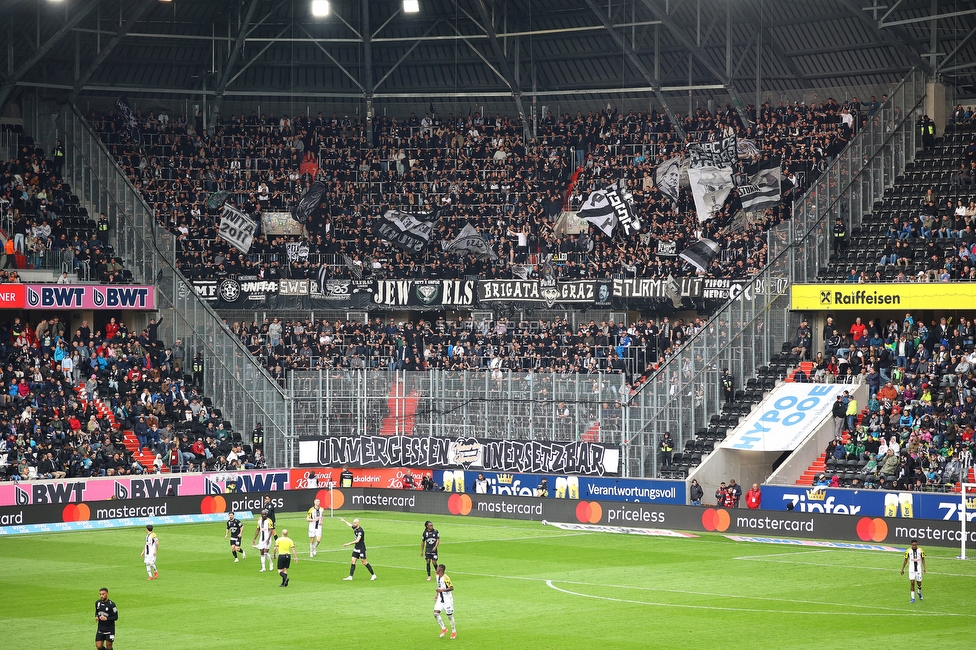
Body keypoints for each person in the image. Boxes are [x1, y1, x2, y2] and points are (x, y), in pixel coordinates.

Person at [434, 564, 457, 639]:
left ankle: (454, 631)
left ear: (441, 569)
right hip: (440, 599)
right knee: (436, 614)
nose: (436, 569)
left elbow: (451, 588)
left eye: (438, 568)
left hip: (447, 600)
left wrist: (441, 590)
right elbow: (439, 586)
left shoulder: (446, 578)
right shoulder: (437, 576)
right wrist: (437, 594)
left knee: (449, 616)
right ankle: (444, 628)